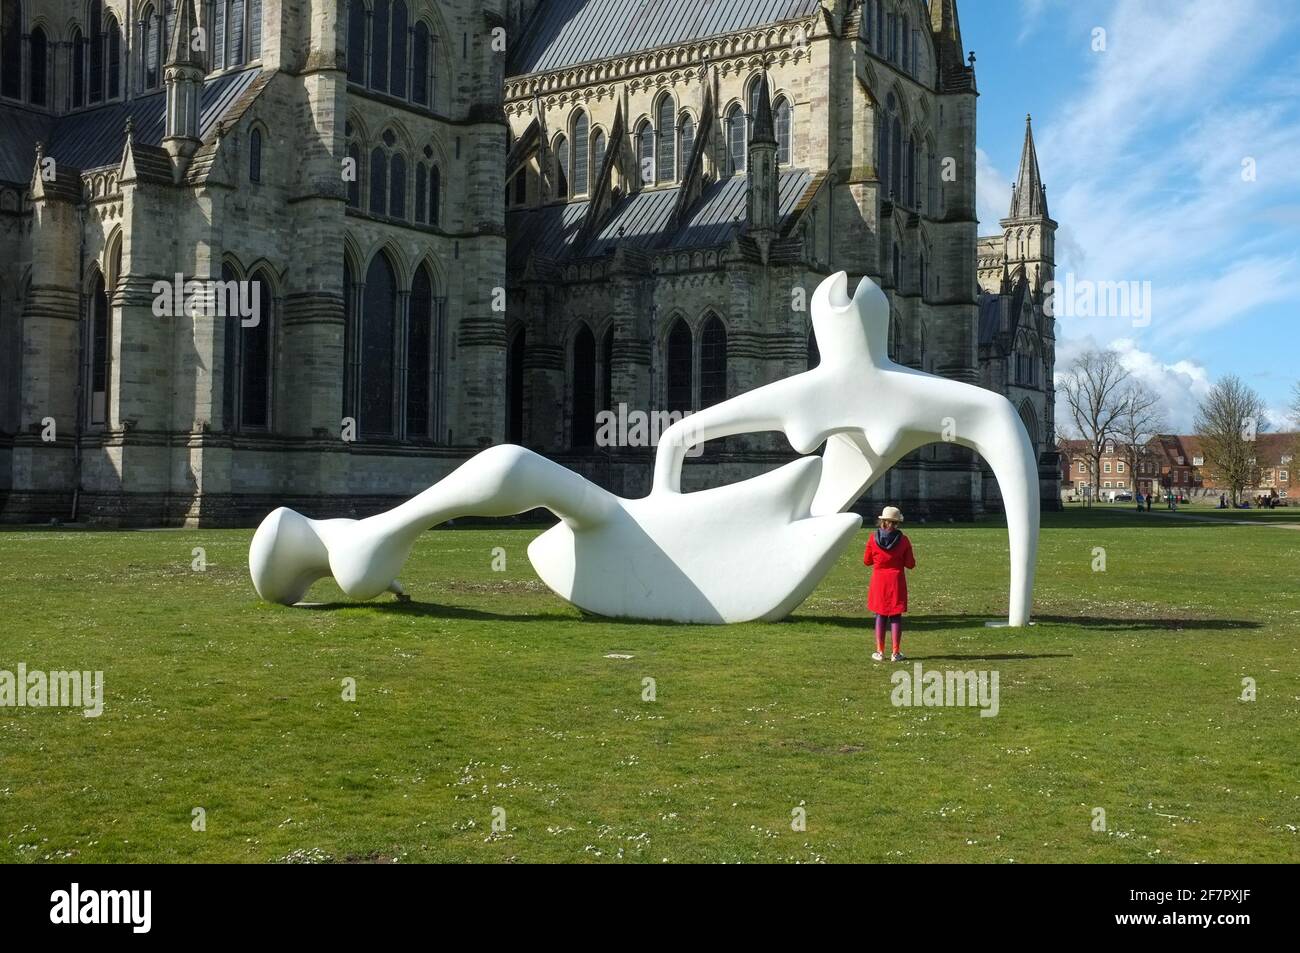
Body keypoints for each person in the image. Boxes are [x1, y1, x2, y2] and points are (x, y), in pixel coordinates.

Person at [864, 506, 916, 663]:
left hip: (879, 580)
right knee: (895, 616)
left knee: (880, 614)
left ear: (882, 521)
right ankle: (895, 651)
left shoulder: (873, 539)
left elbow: (867, 561)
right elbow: (910, 564)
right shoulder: (904, 540)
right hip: (896, 580)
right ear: (897, 523)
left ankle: (879, 651)